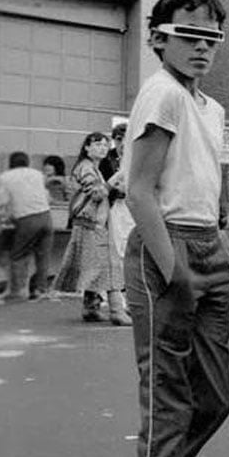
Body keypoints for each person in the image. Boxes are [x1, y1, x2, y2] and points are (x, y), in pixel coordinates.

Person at [101, 0, 229, 457]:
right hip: (168, 250)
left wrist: (219, 250)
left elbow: (200, 181)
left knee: (213, 400)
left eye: (212, 36)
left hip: (207, 243)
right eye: (189, 35)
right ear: (158, 38)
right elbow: (139, 189)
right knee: (169, 409)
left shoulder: (206, 104)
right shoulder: (162, 93)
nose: (202, 46)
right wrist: (173, 269)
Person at [54, 133, 130, 324]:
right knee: (110, 267)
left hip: (90, 224)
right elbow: (97, 193)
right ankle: (117, 312)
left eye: (105, 145)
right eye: (97, 144)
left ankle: (91, 308)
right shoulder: (86, 168)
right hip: (91, 225)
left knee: (94, 268)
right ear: (86, 148)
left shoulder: (91, 168)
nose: (103, 148)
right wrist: (118, 176)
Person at [0, 151, 53, 301]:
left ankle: (17, 291)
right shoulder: (37, 174)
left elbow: (2, 200)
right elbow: (47, 196)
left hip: (26, 219)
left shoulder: (5, 177)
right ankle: (41, 290)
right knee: (43, 256)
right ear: (27, 162)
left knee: (18, 255)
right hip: (46, 216)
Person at [102, 123, 133, 326]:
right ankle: (118, 301)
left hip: (133, 208)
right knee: (117, 250)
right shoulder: (108, 160)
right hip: (115, 208)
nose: (121, 143)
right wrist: (116, 190)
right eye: (118, 139)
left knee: (132, 249)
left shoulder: (137, 156)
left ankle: (132, 299)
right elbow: (103, 185)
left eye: (124, 139)